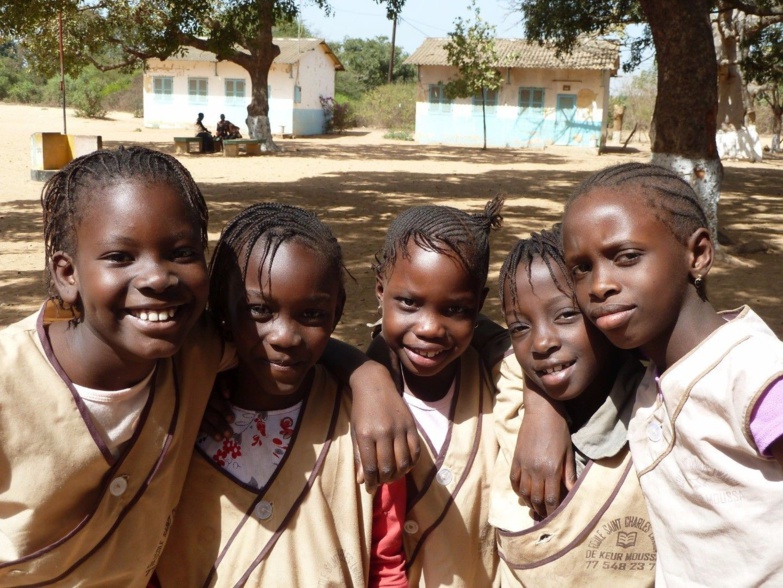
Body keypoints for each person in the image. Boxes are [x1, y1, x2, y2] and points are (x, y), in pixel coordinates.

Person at [0, 146, 418, 585]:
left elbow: (289, 336)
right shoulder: (11, 381)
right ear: (67, 274)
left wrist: (368, 376)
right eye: (121, 257)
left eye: (181, 252)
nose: (157, 278)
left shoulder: (195, 349)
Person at [527, 162, 783, 586]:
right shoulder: (646, 374)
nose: (599, 285)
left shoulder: (752, 373)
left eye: (626, 257)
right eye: (581, 268)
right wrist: (542, 407)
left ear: (697, 254)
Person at [154, 203, 407, 587]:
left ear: (337, 311)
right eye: (259, 310)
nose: (285, 337)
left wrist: (369, 376)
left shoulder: (367, 423)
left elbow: (385, 563)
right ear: (223, 307)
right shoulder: (182, 410)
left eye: (311, 315)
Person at [491, 226, 654, 587]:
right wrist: (540, 406)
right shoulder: (510, 404)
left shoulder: (656, 418)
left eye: (566, 315)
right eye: (519, 326)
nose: (542, 342)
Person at [371, 197, 516, 587]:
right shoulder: (357, 394)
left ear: (479, 307)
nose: (430, 328)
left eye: (454, 310)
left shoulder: (501, 385)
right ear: (380, 290)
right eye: (409, 303)